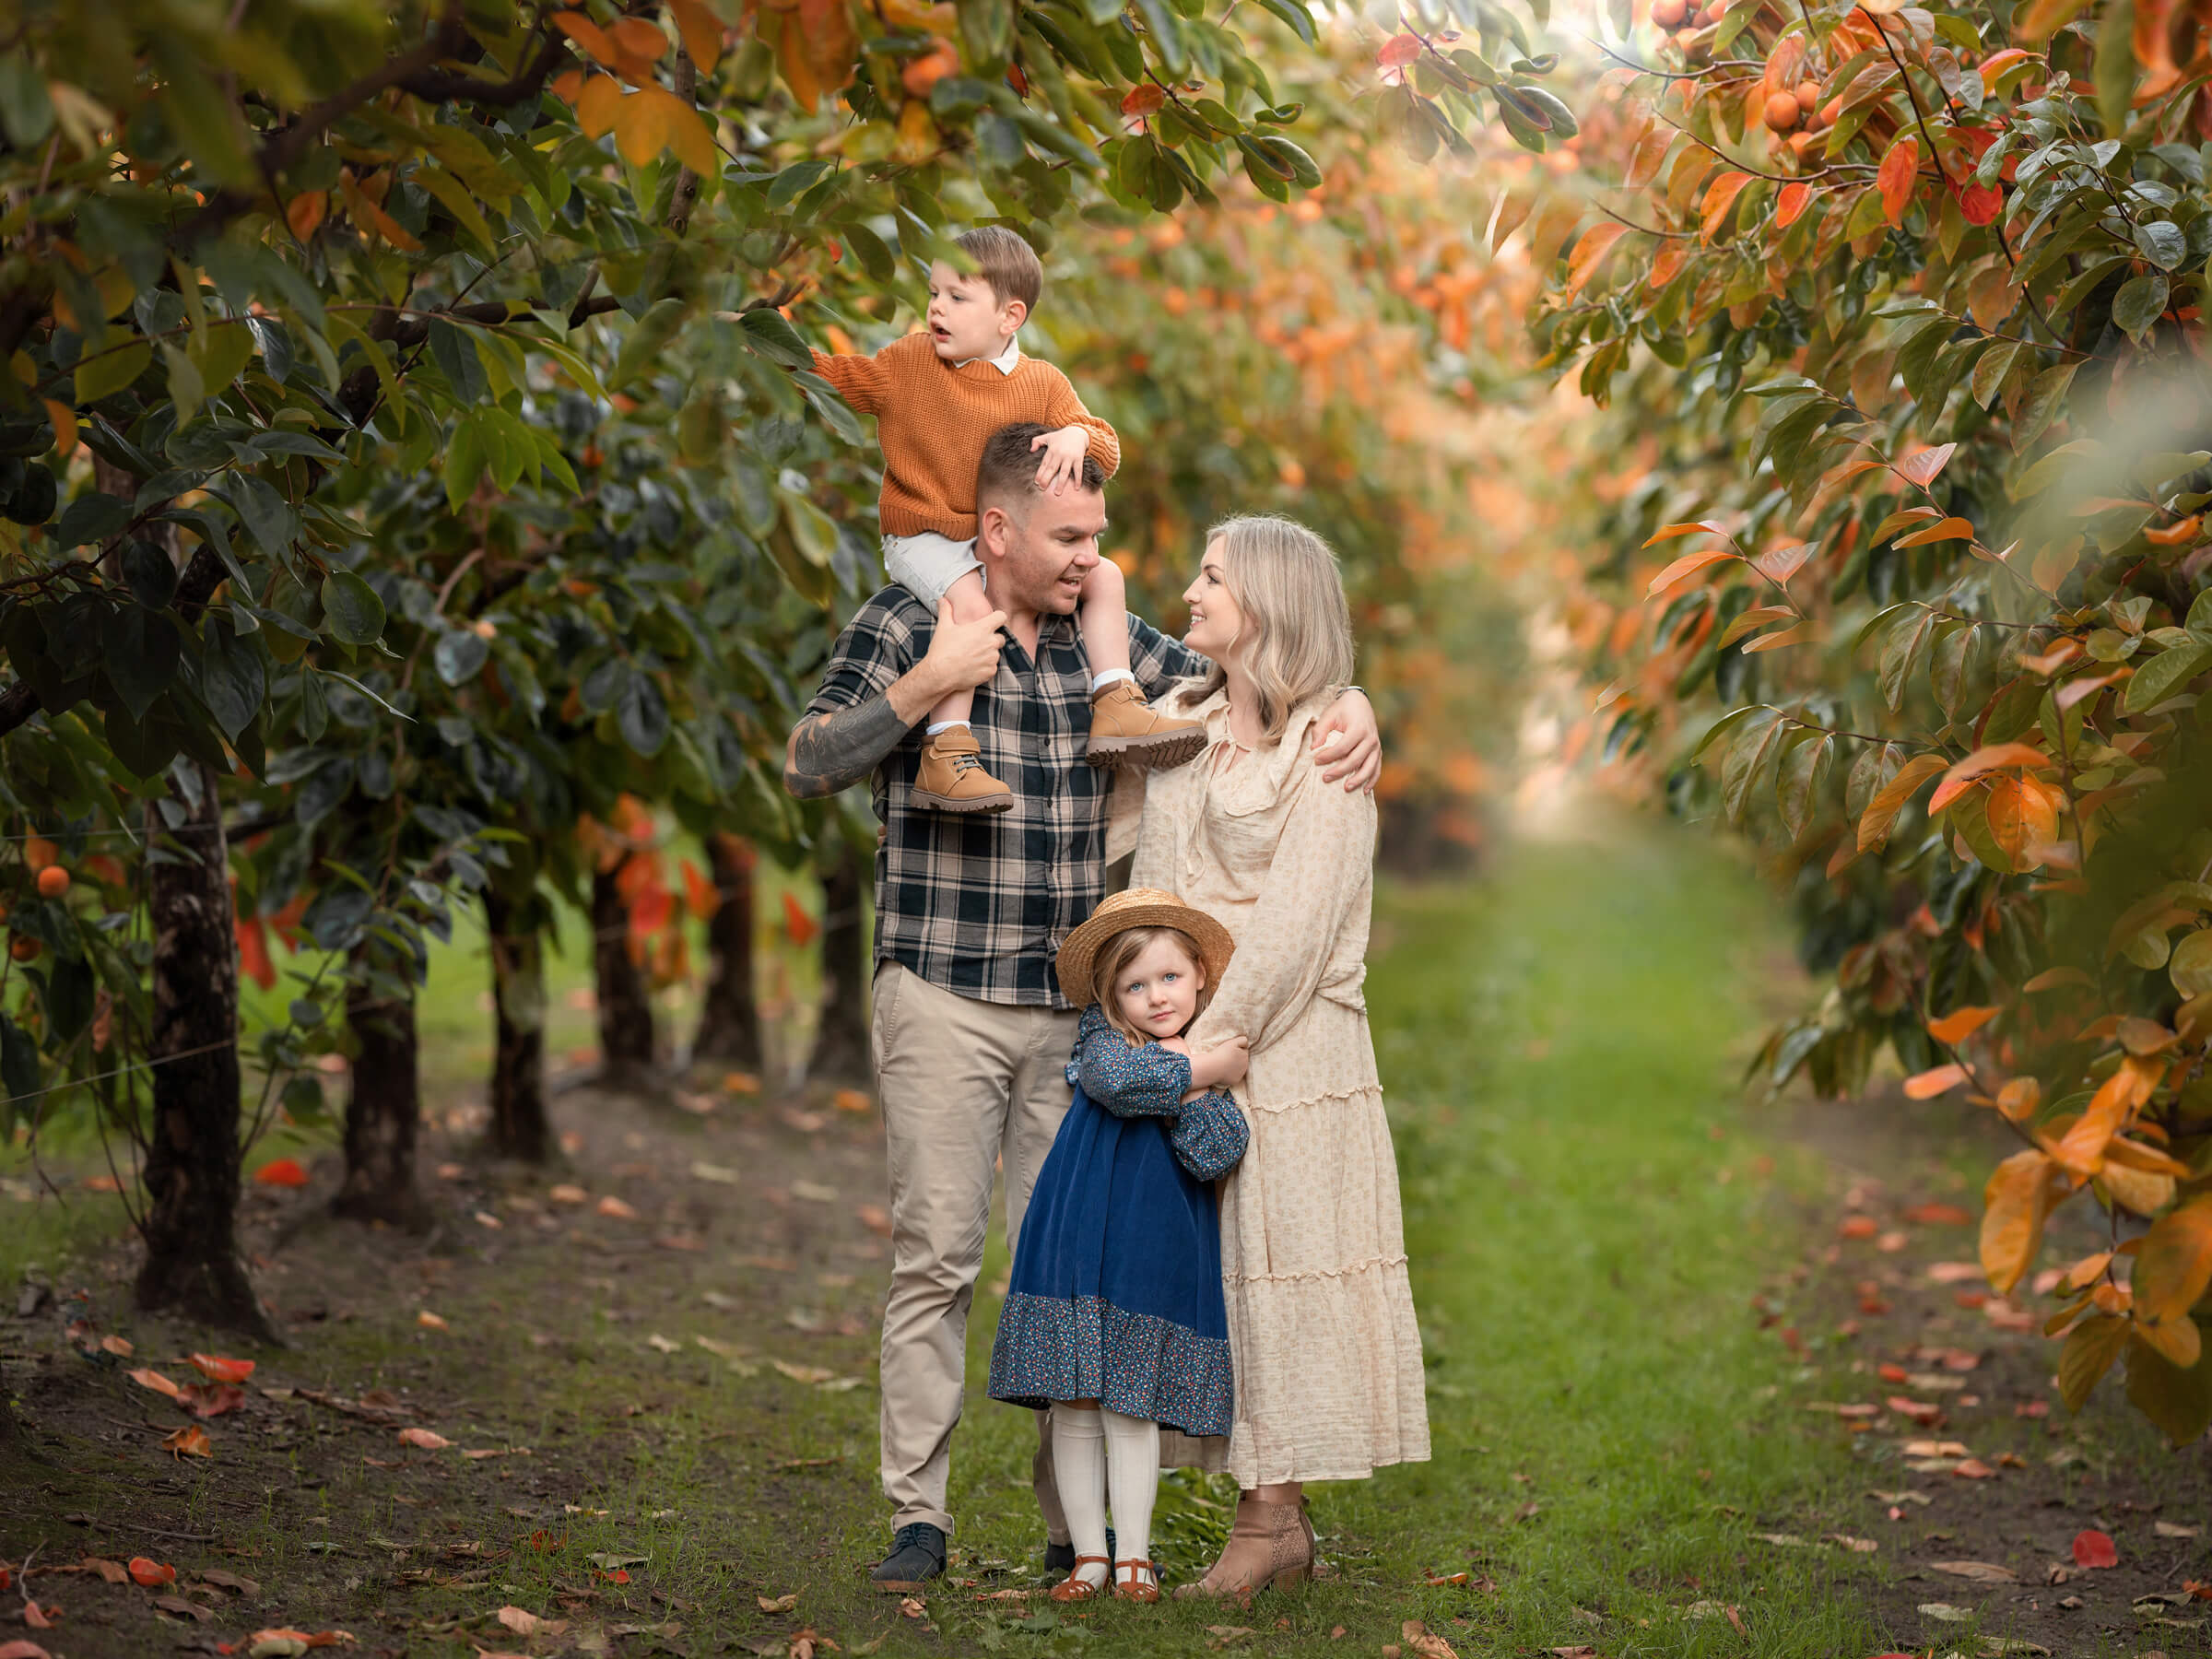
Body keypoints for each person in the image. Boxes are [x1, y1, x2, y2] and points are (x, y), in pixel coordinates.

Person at [782, 425, 1383, 1594]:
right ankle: (921, 1519)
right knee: (937, 1258)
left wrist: (1353, 705)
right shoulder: (909, 624)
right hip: (942, 991)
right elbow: (810, 761)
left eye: (1096, 540)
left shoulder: (1105, 647)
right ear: (994, 531)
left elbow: (1246, 683)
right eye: (1069, 540)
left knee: (1077, 1271)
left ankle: (1080, 1537)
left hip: (1082, 1022)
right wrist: (925, 690)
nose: (1094, 561)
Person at [1129, 514, 1430, 1598]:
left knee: (1284, 1274)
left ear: (1271, 602)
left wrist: (1206, 1052)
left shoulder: (1328, 744)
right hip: (1195, 1033)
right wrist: (1156, 1028)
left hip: (1288, 1046)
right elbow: (1157, 886)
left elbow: (1300, 925)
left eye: (1214, 575)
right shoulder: (1180, 718)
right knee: (1222, 1280)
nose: (1192, 588)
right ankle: (1264, 1523)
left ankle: (1269, 1525)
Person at [806, 225, 1204, 815]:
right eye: (933, 292)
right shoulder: (911, 363)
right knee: (971, 610)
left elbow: (1106, 448)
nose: (937, 307)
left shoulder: (1042, 384)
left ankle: (1115, 698)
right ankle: (946, 751)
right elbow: (843, 376)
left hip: (992, 543)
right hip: (925, 533)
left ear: (1009, 316)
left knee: (1109, 577)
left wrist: (1076, 433)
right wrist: (767, 342)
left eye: (957, 297)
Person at [986, 889, 1253, 1603]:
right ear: (1112, 997)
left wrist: (1199, 1084)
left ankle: (1132, 1555)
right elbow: (1116, 1083)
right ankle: (1088, 1558)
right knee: (1074, 1401)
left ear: (1199, 973)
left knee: (1128, 1402)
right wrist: (1201, 1071)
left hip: (1151, 1245)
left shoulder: (1202, 1049)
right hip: (1077, 1233)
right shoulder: (1105, 1040)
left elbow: (1216, 1153)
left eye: (1168, 978)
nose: (1155, 997)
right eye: (1135, 987)